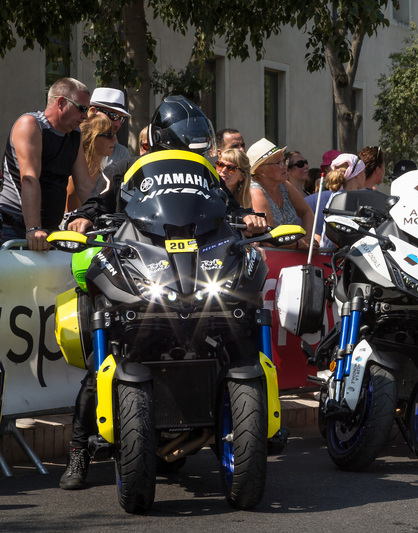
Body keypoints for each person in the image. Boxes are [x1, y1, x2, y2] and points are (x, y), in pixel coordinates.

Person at [61, 95, 267, 491]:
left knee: (237, 326)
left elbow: (228, 211)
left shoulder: (206, 177)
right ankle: (78, 453)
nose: (191, 143)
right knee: (100, 357)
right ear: (162, 137)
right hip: (148, 271)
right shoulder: (131, 171)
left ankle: (248, 420)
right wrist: (84, 216)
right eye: (185, 136)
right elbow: (100, 202)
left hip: (194, 276)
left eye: (196, 138)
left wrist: (250, 219)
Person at [0, 77, 94, 250]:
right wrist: (34, 228)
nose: (85, 116)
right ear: (61, 103)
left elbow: (84, 185)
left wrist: (102, 216)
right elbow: (29, 178)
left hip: (47, 232)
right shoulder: (30, 124)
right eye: (82, 108)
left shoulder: (74, 135)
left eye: (87, 110)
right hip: (13, 228)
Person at [247, 138, 314, 248]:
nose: (284, 166)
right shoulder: (256, 192)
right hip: (272, 259)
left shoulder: (284, 185)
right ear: (261, 171)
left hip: (293, 256)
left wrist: (308, 240)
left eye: (284, 161)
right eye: (278, 163)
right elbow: (268, 239)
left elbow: (307, 212)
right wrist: (300, 244)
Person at [65, 114, 116, 213]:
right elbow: (73, 219)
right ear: (92, 138)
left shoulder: (101, 173)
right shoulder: (74, 180)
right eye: (109, 135)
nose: (114, 139)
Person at [318, 153, 367, 249]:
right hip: (333, 258)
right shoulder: (342, 199)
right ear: (357, 174)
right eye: (363, 171)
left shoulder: (341, 196)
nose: (365, 175)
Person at [88, 87, 131, 166]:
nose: (118, 124)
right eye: (114, 116)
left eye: (121, 119)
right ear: (93, 112)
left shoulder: (121, 153)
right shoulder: (74, 144)